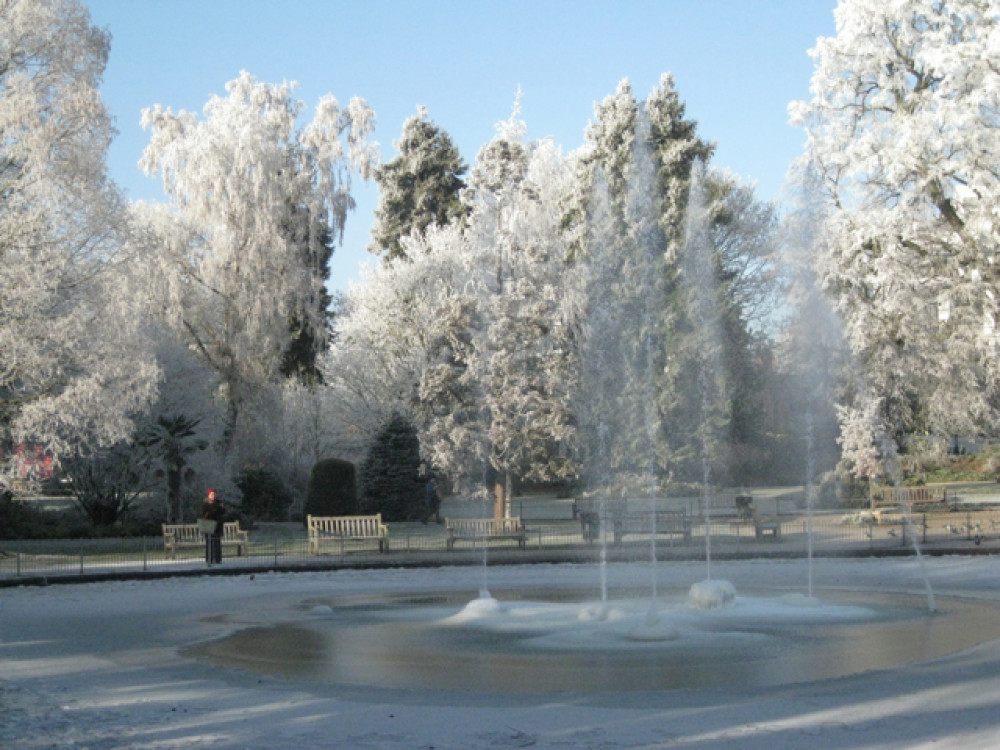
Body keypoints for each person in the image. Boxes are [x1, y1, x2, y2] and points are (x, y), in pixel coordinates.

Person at [201, 488, 225, 565]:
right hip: (209, 525)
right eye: (211, 494)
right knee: (209, 543)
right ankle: (209, 559)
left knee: (217, 543)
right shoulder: (206, 503)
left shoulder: (218, 503)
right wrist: (216, 508)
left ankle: (218, 559)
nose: (213, 496)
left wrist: (220, 507)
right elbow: (209, 513)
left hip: (218, 525)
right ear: (208, 495)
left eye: (214, 494)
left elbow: (222, 512)